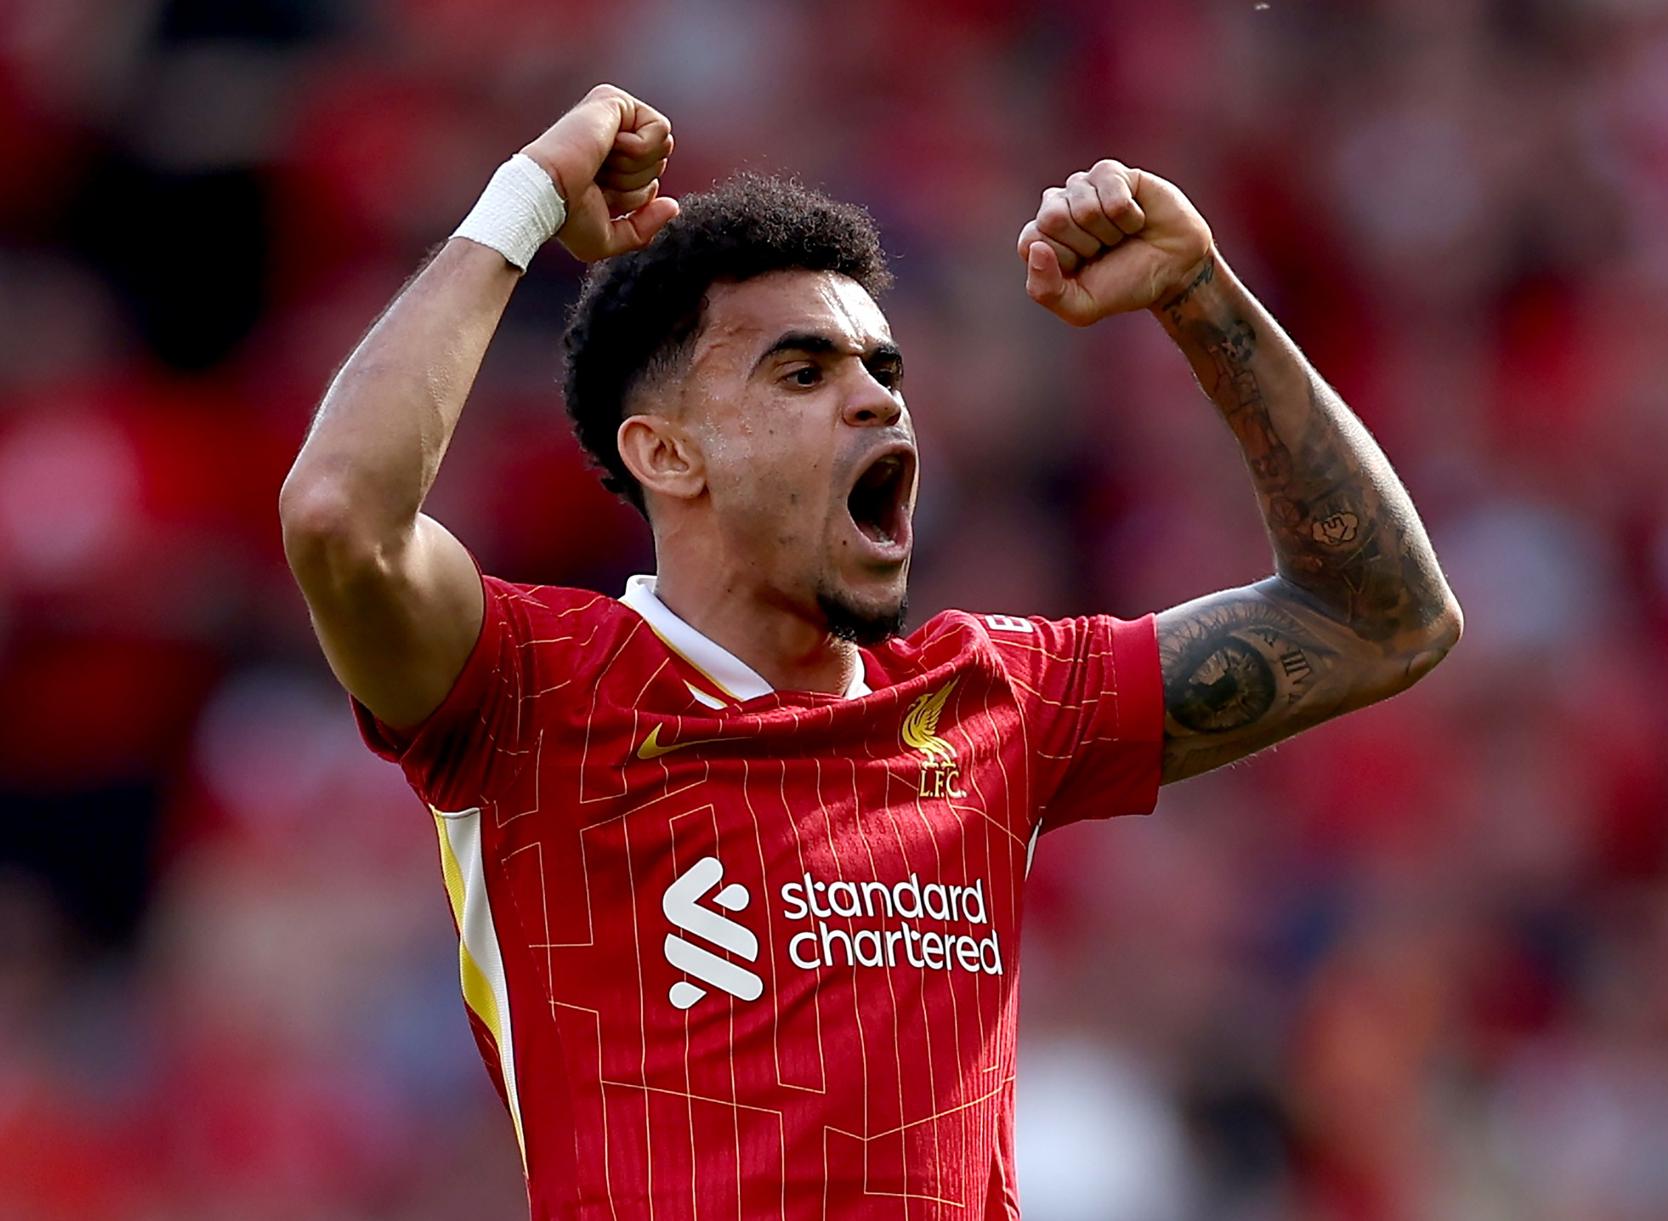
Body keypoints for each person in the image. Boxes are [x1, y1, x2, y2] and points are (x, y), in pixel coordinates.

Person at [279, 83, 1461, 1219]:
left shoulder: (997, 701)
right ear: (668, 455)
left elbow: (1381, 619)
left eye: (883, 371)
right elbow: (340, 514)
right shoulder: (532, 690)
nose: (877, 402)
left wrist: (1201, 295)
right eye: (804, 371)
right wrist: (529, 193)